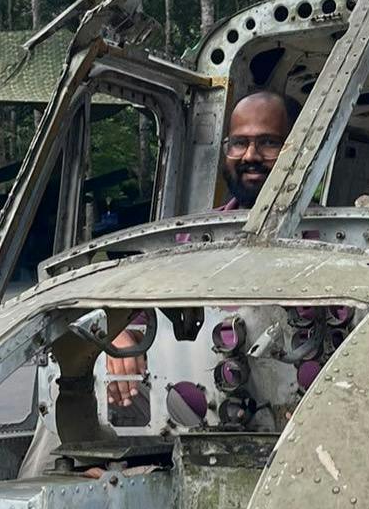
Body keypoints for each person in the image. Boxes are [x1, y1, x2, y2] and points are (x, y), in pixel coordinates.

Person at [105, 89, 295, 405]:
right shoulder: (192, 241)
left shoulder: (333, 244)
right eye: (239, 143)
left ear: (297, 149)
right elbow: (146, 318)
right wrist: (121, 336)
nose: (250, 156)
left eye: (268, 142)